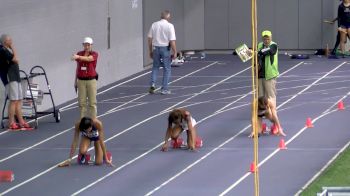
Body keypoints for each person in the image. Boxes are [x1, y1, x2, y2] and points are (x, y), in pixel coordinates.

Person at [0, 34, 31, 129]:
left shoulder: (6, 50)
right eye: (9, 40)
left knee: (18, 99)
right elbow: (15, 59)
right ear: (5, 41)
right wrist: (13, 48)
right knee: (13, 100)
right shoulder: (2, 50)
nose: (11, 41)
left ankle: (21, 121)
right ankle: (11, 122)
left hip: (15, 77)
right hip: (9, 77)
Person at [148, 10, 177, 95]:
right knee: (167, 69)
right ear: (168, 16)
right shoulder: (170, 26)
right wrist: (175, 51)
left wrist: (150, 50)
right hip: (165, 49)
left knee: (155, 67)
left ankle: (152, 85)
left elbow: (149, 39)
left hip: (155, 48)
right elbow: (172, 41)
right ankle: (164, 89)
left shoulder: (154, 24)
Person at [71, 37, 98, 119]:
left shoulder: (94, 54)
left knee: (92, 103)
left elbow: (89, 59)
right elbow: (77, 67)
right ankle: (83, 121)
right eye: (85, 45)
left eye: (88, 45)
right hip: (81, 80)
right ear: (83, 45)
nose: (86, 47)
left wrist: (78, 57)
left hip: (91, 80)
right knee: (81, 103)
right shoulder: (80, 53)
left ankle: (93, 121)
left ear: (91, 45)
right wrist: (75, 81)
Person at [257, 30, 279, 108]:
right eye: (265, 39)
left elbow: (269, 51)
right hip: (260, 74)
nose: (266, 40)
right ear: (262, 38)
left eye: (268, 39)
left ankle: (273, 112)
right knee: (260, 96)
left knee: (271, 96)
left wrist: (258, 52)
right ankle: (262, 114)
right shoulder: (259, 45)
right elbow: (256, 54)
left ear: (271, 38)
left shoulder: (273, 45)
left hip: (270, 75)